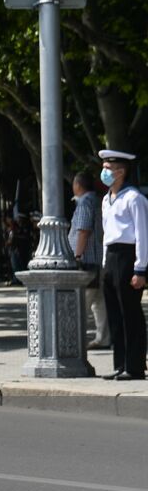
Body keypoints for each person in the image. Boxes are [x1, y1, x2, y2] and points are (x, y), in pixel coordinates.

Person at [98, 150, 147, 381]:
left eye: (108, 167)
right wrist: (105, 264)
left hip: (128, 257)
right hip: (111, 257)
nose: (104, 171)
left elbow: (142, 234)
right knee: (114, 315)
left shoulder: (134, 198)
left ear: (121, 171)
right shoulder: (106, 199)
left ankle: (135, 366)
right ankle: (120, 364)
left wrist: (140, 269)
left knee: (130, 314)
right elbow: (107, 235)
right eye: (104, 167)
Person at [70, 171, 108, 350]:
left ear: (77, 186)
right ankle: (104, 338)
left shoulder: (85, 203)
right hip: (100, 260)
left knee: (82, 303)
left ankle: (74, 340)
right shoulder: (100, 201)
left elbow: (83, 231)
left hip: (87, 261)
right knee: (100, 301)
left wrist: (77, 255)